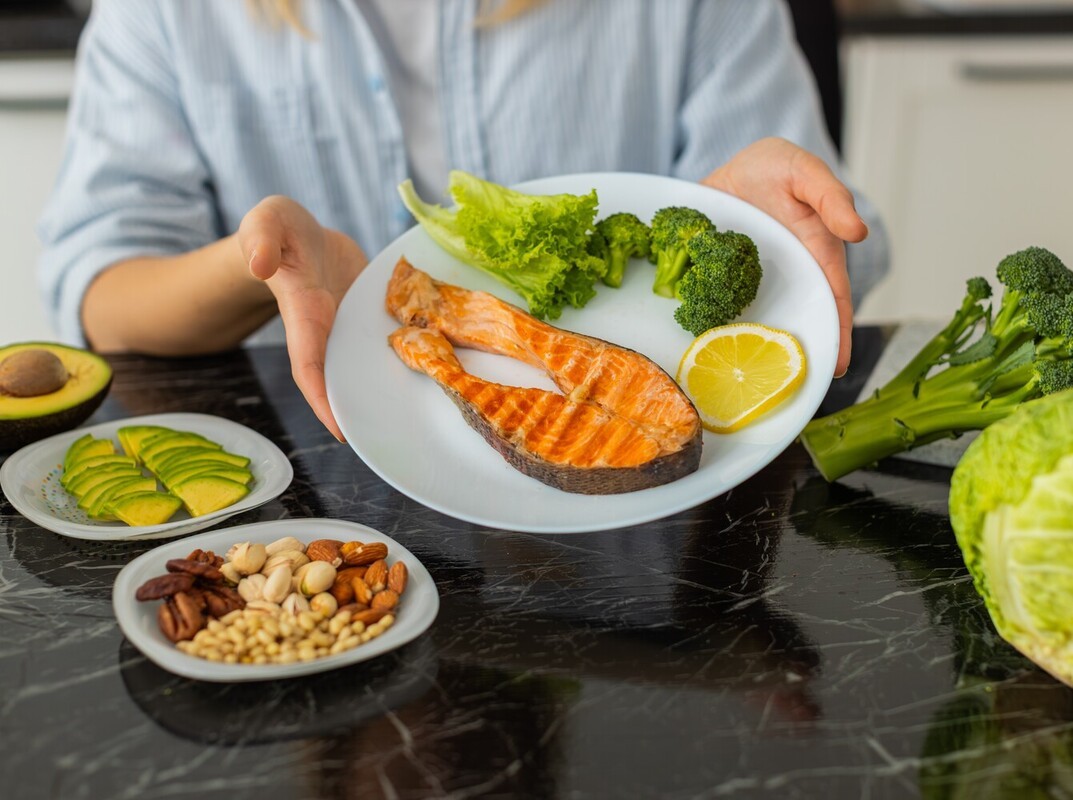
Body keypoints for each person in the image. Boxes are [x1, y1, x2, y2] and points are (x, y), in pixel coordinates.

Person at [38, 0, 888, 443]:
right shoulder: (164, 12)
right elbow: (102, 288)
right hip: (314, 480)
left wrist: (756, 229)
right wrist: (254, 265)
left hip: (637, 521)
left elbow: (848, 240)